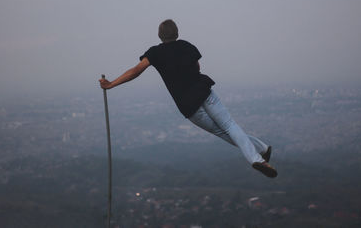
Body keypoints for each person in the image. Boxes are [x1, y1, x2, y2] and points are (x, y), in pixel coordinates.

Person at [99, 19, 277, 178]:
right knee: (230, 125)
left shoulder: (155, 53)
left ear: (159, 36)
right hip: (204, 92)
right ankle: (260, 151)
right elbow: (197, 67)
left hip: (188, 104)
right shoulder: (186, 46)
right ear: (177, 33)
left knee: (222, 131)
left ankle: (258, 156)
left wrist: (111, 84)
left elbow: (135, 71)